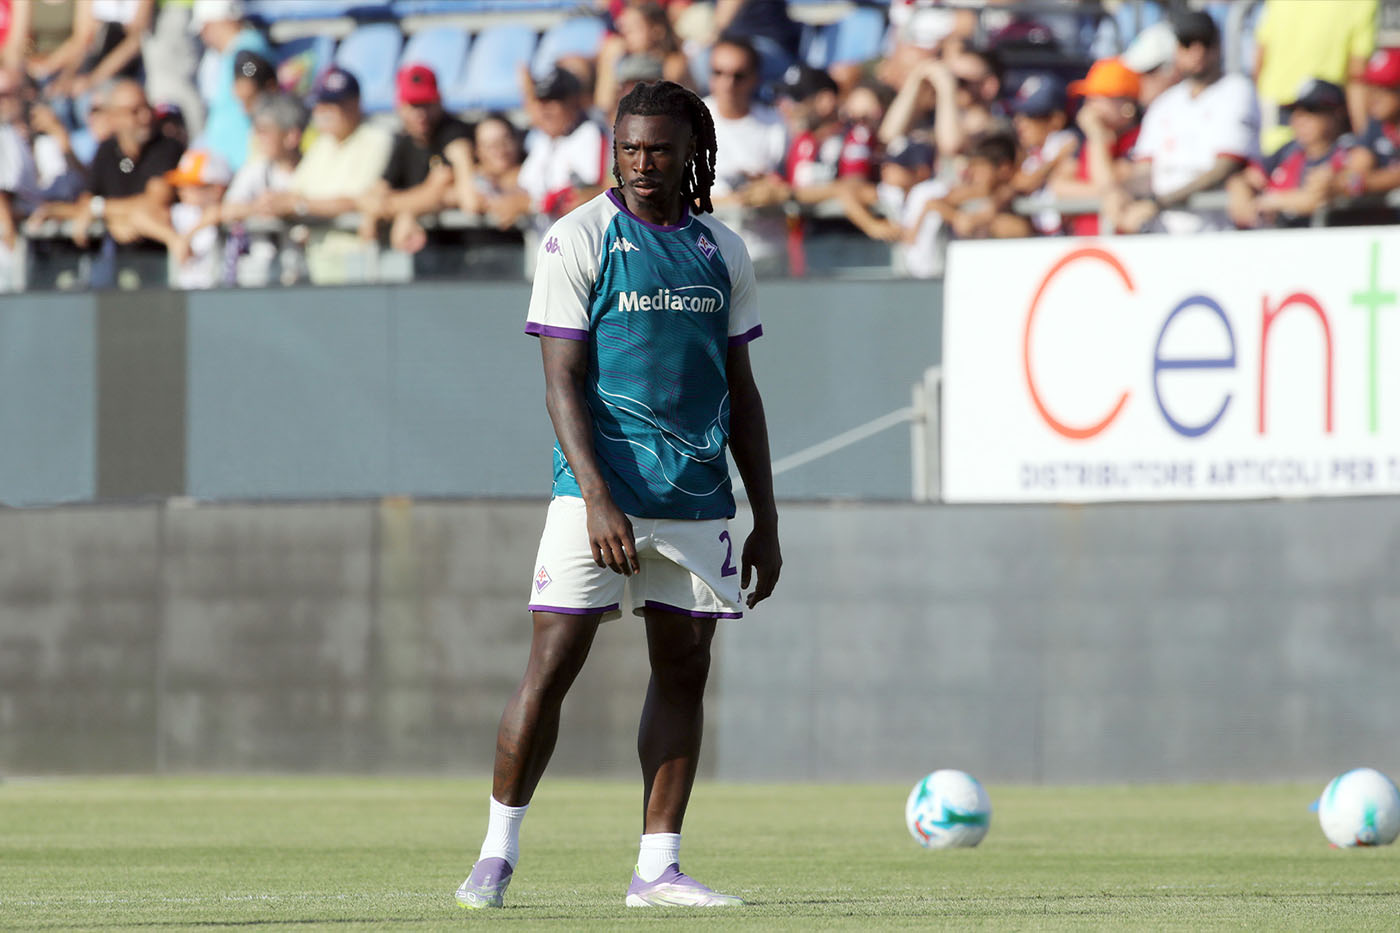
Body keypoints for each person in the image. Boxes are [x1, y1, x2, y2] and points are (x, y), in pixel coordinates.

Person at [455, 78, 781, 911]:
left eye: (659, 149)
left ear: (691, 152)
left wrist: (766, 518)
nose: (643, 163)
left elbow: (742, 392)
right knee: (552, 664)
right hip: (596, 495)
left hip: (698, 497)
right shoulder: (579, 237)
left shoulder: (722, 250)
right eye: (630, 148)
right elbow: (560, 380)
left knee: (684, 669)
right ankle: (495, 852)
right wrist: (598, 497)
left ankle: (657, 868)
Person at [1119, 12, 1260, 235]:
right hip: (1164, 231)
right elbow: (1143, 171)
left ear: (1218, 46)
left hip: (1217, 231)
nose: (1197, 52)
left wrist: (1160, 202)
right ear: (1177, 50)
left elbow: (1224, 168)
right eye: (1187, 44)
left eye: (1205, 43)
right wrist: (1118, 193)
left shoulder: (1237, 90)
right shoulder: (1164, 103)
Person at [357, 63, 474, 253]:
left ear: (439, 101)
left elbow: (440, 194)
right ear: (400, 106)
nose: (421, 114)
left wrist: (393, 208)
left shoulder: (454, 134)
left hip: (466, 248)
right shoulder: (404, 141)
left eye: (426, 104)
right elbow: (378, 189)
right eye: (413, 105)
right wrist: (377, 209)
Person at [703, 35, 787, 271]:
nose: (727, 83)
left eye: (738, 75)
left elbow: (792, 185)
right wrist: (733, 202)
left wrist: (772, 190)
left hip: (765, 257)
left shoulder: (776, 124)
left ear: (754, 79)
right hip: (708, 258)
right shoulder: (687, 121)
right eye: (718, 73)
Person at [1227, 78, 1355, 229]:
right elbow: (1244, 179)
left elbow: (1316, 198)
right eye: (1295, 111)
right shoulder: (1288, 151)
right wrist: (1242, 196)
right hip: (1282, 238)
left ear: (1337, 114)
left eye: (1311, 111)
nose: (1299, 119)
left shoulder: (1350, 150)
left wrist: (1270, 202)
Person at [1253, 0, 1375, 155]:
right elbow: (1357, 77)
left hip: (1273, 126)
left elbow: (1259, 62)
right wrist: (1364, 141)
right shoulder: (1362, 3)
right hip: (1325, 131)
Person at [1049, 58, 1142, 237]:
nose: (1089, 106)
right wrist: (1107, 193)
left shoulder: (1142, 139)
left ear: (1127, 104)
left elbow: (1111, 182)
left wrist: (1097, 137)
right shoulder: (1085, 141)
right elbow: (1058, 186)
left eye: (1098, 98)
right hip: (1086, 242)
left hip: (1127, 244)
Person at [518, 66, 608, 229]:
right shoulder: (542, 139)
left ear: (573, 102)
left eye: (553, 101)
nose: (545, 109)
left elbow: (590, 195)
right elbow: (523, 186)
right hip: (544, 238)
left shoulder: (590, 133)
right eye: (541, 101)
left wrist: (532, 204)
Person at [191, 0, 274, 171]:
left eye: (205, 28)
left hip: (241, 161)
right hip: (228, 161)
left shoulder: (247, 49)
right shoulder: (235, 50)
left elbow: (249, 87)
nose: (204, 37)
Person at [1339, 48, 1400, 199]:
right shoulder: (1377, 125)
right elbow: (1353, 172)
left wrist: (1365, 182)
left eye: (1384, 88)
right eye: (1371, 87)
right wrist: (1353, 181)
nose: (1374, 96)